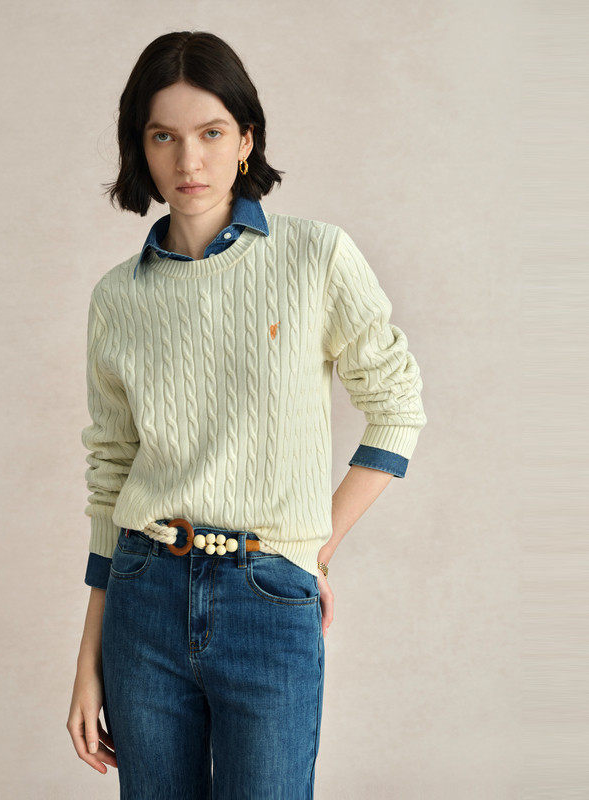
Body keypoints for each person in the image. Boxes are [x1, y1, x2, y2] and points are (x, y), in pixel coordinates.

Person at [67, 31, 427, 798]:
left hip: (269, 601)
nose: (188, 160)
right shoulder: (118, 299)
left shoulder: (316, 258)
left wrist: (313, 549)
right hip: (141, 600)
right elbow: (111, 473)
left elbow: (397, 408)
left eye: (211, 132)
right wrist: (86, 659)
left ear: (246, 140)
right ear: (140, 146)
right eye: (163, 136)